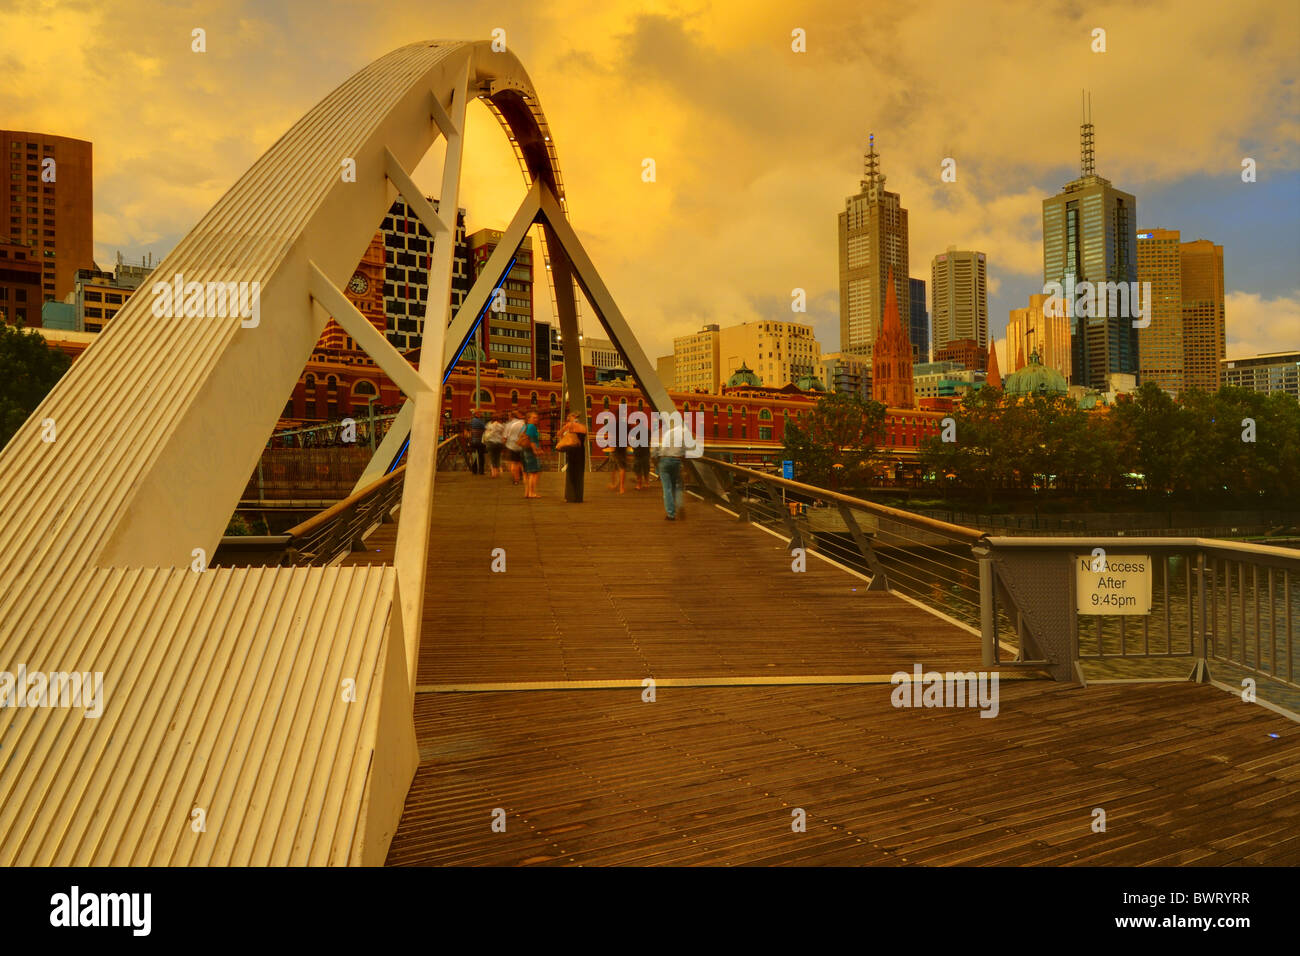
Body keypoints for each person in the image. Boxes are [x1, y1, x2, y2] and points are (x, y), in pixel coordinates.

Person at [654, 417, 687, 520]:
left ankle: (671, 514)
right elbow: (684, 452)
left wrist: (656, 462)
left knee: (667, 488)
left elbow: (659, 450)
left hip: (665, 461)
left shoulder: (665, 433)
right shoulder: (681, 436)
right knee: (677, 486)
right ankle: (680, 504)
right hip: (677, 461)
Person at [556, 412, 588, 502]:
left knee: (571, 473)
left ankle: (571, 496)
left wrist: (564, 435)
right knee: (579, 474)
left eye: (568, 417)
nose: (567, 419)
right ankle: (578, 497)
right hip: (581, 451)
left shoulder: (570, 425)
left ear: (572, 417)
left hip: (572, 451)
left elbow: (559, 433)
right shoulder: (583, 426)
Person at [520, 411, 543, 498]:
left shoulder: (524, 426)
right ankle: (532, 492)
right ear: (528, 419)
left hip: (524, 450)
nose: (536, 419)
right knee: (534, 473)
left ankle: (527, 492)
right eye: (534, 418)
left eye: (536, 418)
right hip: (530, 451)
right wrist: (536, 451)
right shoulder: (532, 426)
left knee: (526, 473)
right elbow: (532, 440)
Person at [503, 409, 526, 485]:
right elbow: (524, 435)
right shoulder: (523, 424)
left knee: (513, 463)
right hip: (521, 446)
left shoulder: (509, 424)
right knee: (521, 463)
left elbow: (505, 436)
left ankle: (516, 479)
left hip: (511, 446)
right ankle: (524, 478)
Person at [484, 413, 505, 477]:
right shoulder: (501, 425)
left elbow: (486, 433)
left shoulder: (488, 425)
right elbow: (503, 434)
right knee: (498, 457)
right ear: (498, 419)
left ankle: (493, 473)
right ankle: (497, 472)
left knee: (492, 457)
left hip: (490, 442)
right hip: (499, 443)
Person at [468, 410, 486, 475]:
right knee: (481, 456)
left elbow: (469, 429)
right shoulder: (479, 421)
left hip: (473, 441)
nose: (482, 414)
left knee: (474, 456)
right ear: (477, 414)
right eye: (480, 413)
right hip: (479, 441)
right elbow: (485, 427)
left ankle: (474, 470)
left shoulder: (472, 421)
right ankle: (481, 471)